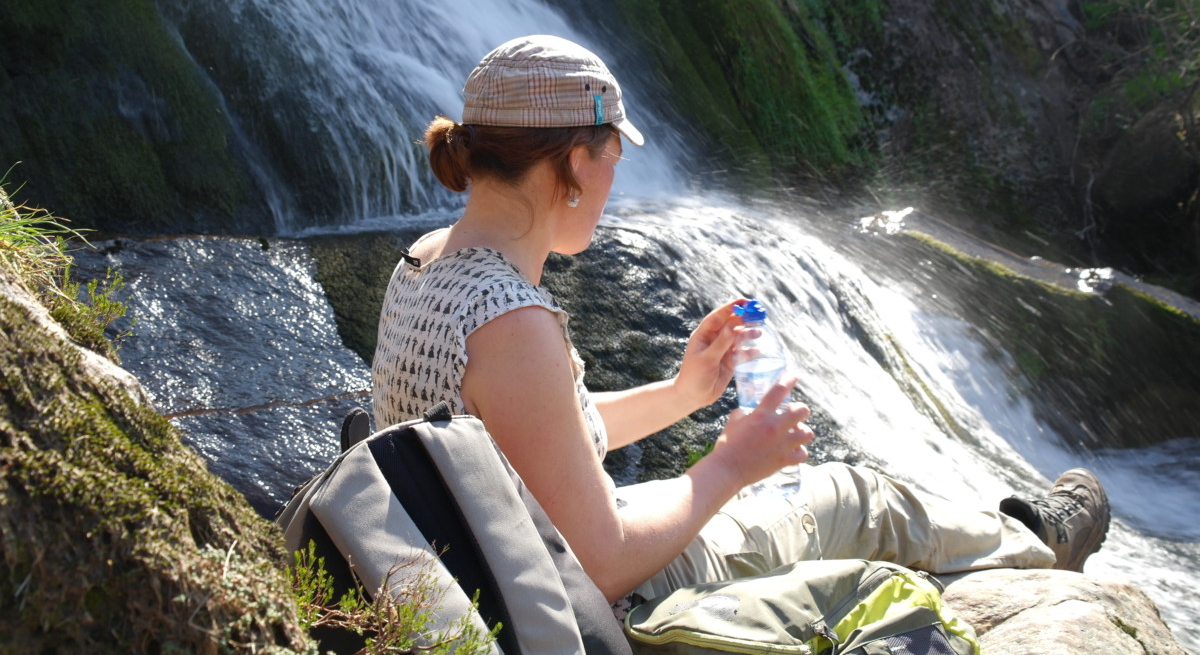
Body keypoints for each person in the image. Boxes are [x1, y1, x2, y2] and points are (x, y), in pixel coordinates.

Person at [371, 34, 1111, 614]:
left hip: (493, 567)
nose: (616, 174)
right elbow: (604, 561)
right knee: (854, 497)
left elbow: (533, 431)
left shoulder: (424, 265)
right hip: (590, 605)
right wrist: (731, 465)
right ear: (572, 162)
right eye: (613, 154)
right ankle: (1037, 542)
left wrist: (683, 392)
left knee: (809, 504)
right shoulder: (515, 323)